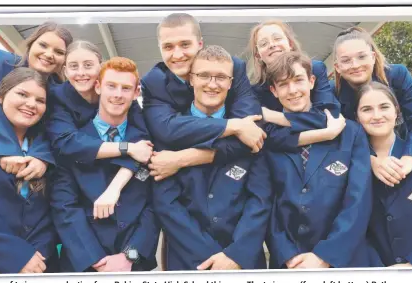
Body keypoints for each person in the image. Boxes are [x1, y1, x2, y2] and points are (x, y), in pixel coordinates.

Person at [153, 45, 271, 271]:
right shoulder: (168, 130)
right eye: (204, 75)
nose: (212, 84)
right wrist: (209, 255)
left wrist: (235, 255)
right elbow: (166, 203)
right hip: (188, 261)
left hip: (241, 261)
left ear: (230, 82)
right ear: (191, 79)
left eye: (220, 77)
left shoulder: (250, 129)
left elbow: (261, 198)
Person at [262, 51, 374, 269]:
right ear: (273, 91)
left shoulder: (349, 132)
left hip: (342, 261)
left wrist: (326, 256)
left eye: (298, 80)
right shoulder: (267, 138)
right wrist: (287, 255)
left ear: (312, 81)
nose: (293, 90)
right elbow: (265, 202)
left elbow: (358, 200)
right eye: (283, 84)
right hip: (289, 264)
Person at [50, 57, 159, 272]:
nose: (118, 94)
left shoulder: (147, 141)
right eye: (111, 86)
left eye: (126, 88)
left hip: (134, 263)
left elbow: (155, 204)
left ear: (136, 92)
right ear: (98, 87)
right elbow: (64, 207)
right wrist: (96, 261)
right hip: (84, 264)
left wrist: (130, 255)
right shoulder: (73, 143)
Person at [142, 12, 267, 183]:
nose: (177, 55)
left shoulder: (231, 67)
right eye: (168, 47)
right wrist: (233, 125)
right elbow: (168, 131)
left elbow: (252, 132)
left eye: (185, 44)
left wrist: (182, 158)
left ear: (200, 44)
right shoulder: (153, 82)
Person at [47, 40, 151, 217]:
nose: (81, 73)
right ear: (65, 71)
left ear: (100, 67)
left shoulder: (121, 97)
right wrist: (127, 148)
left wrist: (115, 187)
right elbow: (66, 142)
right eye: (73, 66)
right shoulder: (57, 97)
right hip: (78, 165)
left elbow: (142, 142)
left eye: (88, 65)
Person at [0, 68, 58, 274]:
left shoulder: (48, 150)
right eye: (22, 94)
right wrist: (16, 255)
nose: (31, 104)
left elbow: (52, 209)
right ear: (0, 97)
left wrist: (38, 255)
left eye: (40, 100)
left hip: (40, 264)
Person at [0, 21, 73, 185]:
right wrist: (5, 148)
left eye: (58, 51)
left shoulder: (59, 91)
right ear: (31, 43)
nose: (49, 54)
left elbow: (53, 127)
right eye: (43, 45)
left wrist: (42, 156)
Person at [333, 26, 412, 188]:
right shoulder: (334, 93)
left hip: (405, 151)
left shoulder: (397, 75)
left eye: (361, 57)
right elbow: (339, 138)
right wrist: (370, 159)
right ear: (337, 67)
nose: (355, 65)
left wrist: (410, 158)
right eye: (346, 60)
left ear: (373, 57)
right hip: (360, 162)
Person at [247, 20, 342, 151]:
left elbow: (329, 116)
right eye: (264, 43)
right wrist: (326, 133)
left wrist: (275, 117)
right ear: (258, 54)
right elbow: (271, 137)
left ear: (290, 43)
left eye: (277, 38)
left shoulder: (316, 69)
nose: (272, 45)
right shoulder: (257, 91)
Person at [355, 82, 412, 267]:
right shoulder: (352, 165)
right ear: (357, 117)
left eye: (384, 107)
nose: (377, 116)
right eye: (367, 109)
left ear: (397, 111)